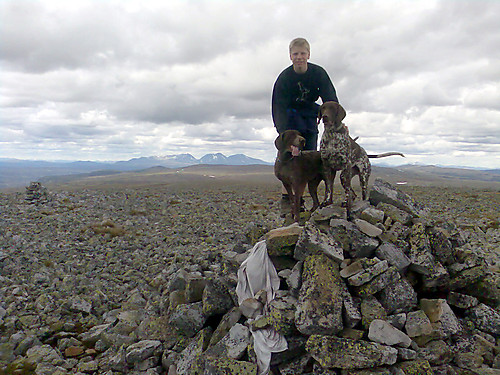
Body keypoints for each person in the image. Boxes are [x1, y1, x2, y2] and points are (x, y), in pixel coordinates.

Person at [272, 37, 339, 213]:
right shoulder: (284, 78)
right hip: (289, 120)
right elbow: (277, 106)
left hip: (309, 118)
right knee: (288, 160)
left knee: (308, 159)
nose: (299, 57)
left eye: (302, 53)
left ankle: (306, 199)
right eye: (295, 54)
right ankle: (288, 199)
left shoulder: (318, 74)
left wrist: (336, 123)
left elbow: (330, 99)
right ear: (290, 56)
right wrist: (283, 135)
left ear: (308, 55)